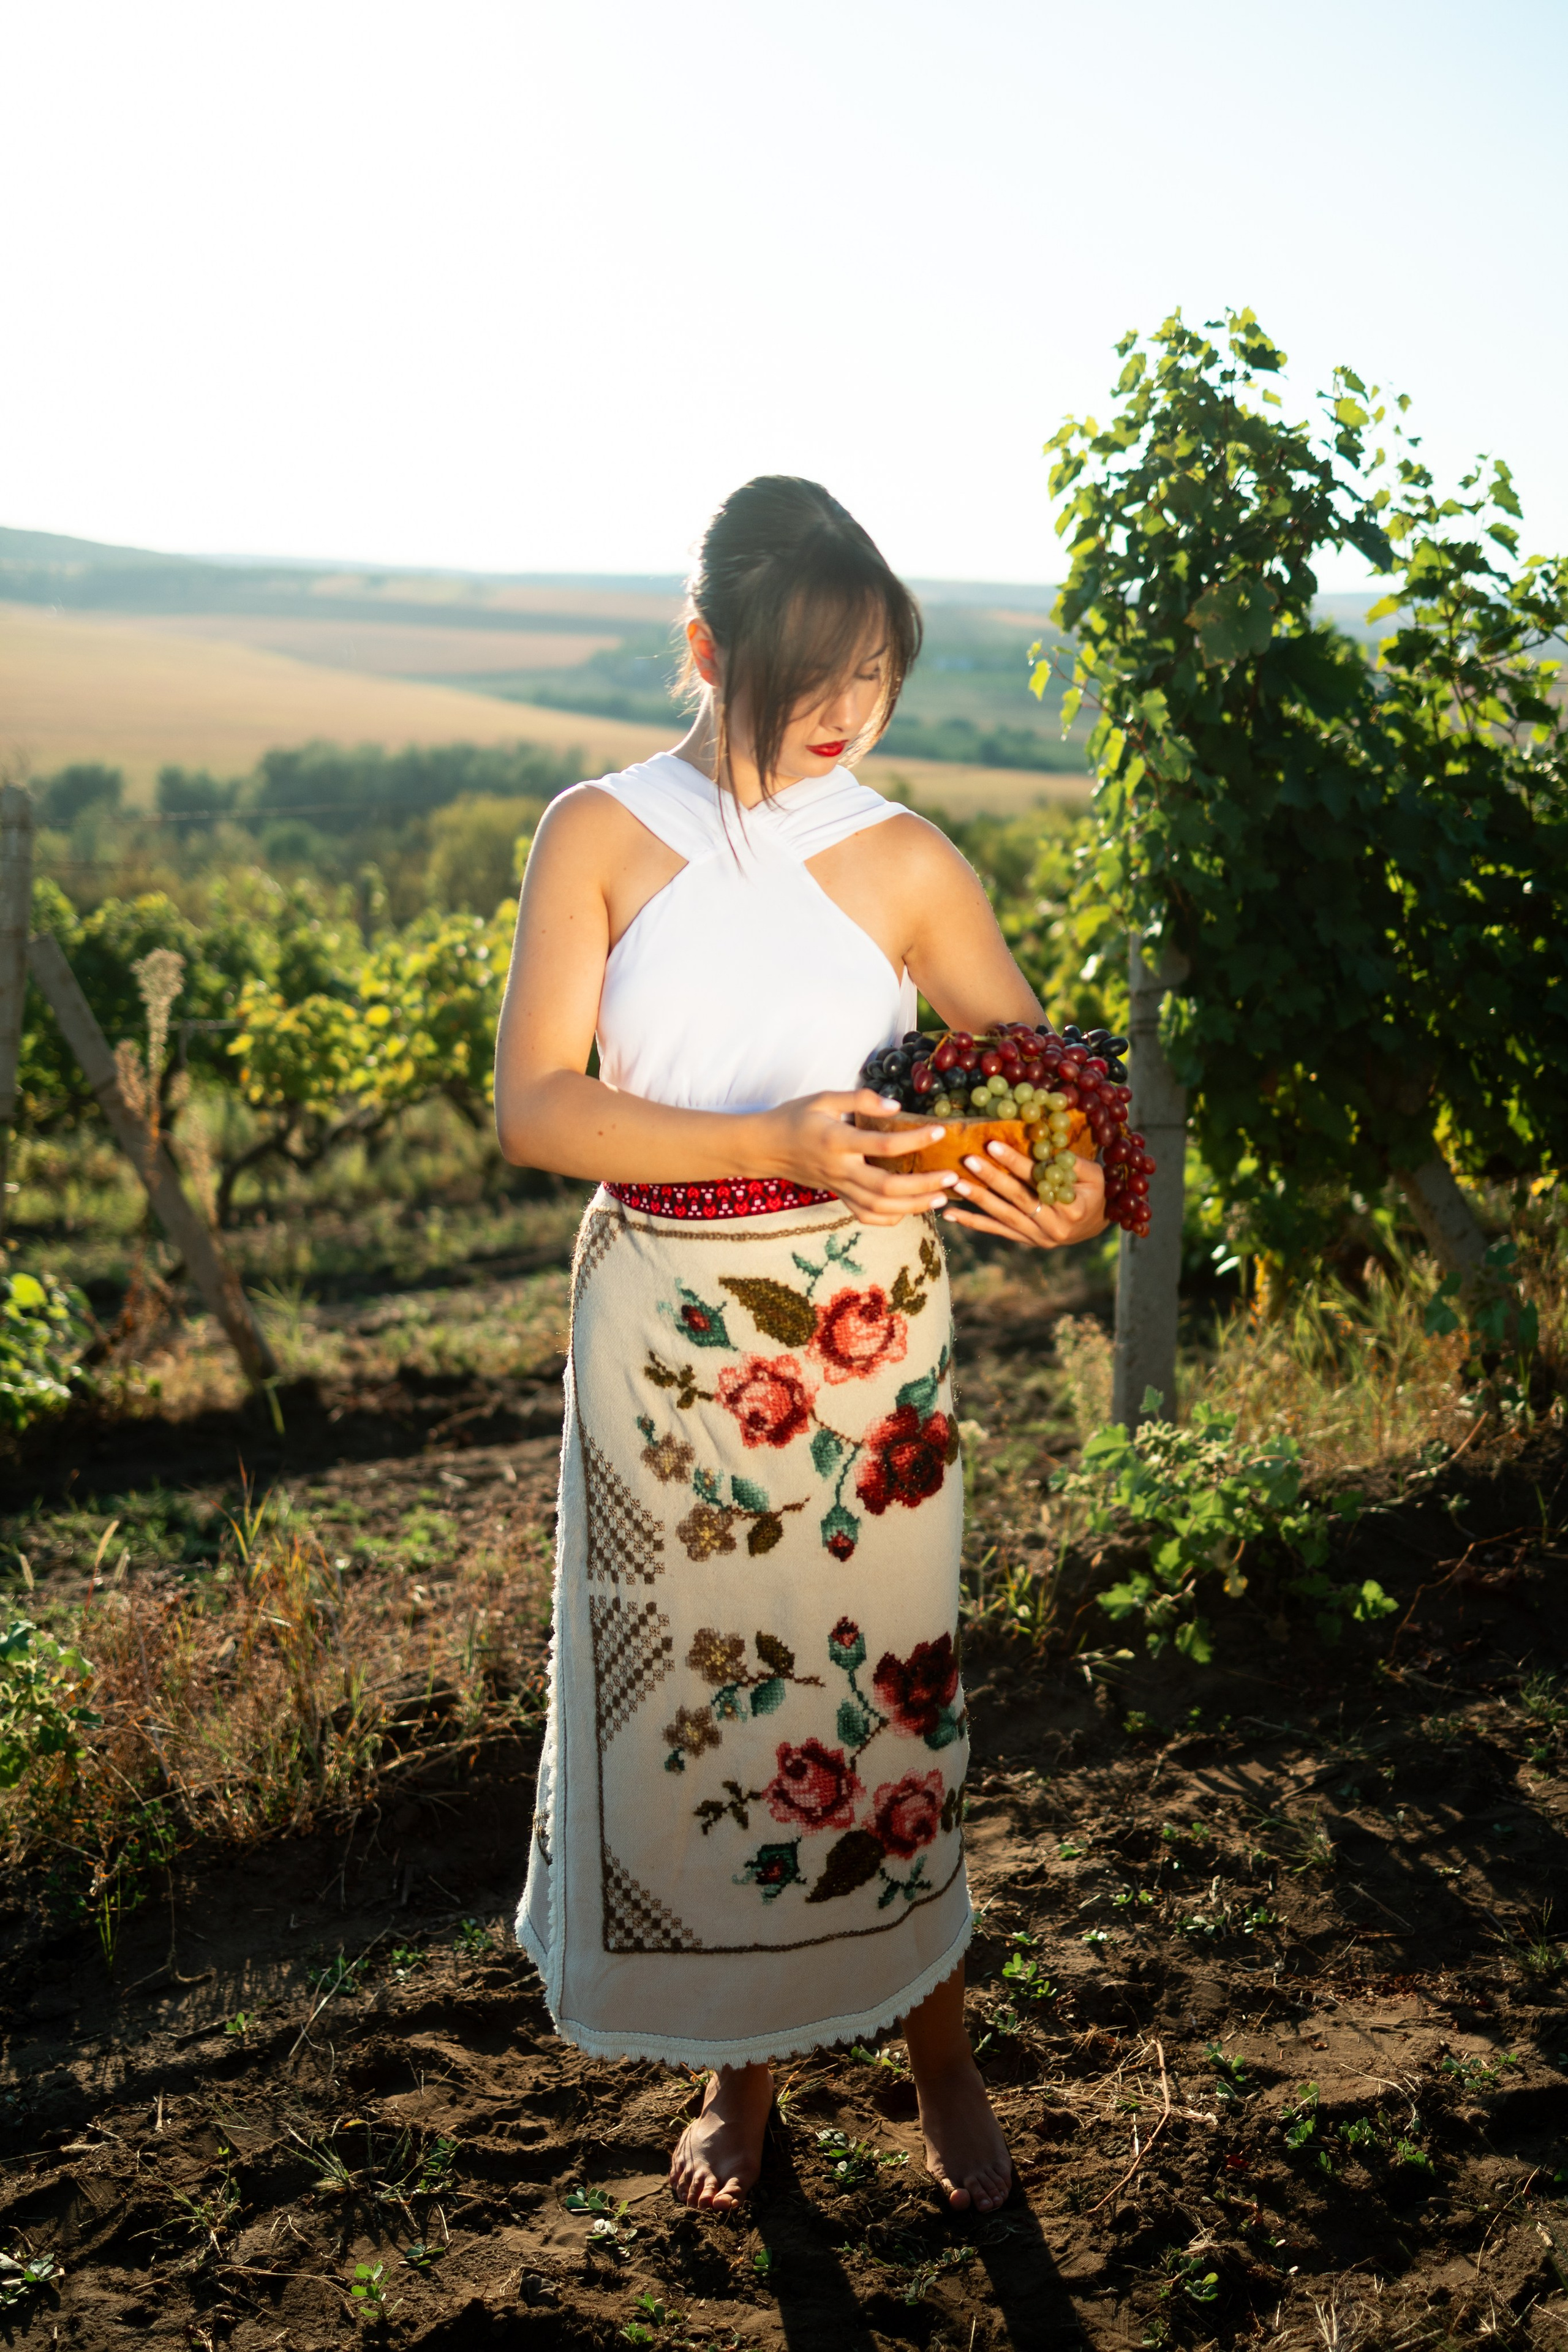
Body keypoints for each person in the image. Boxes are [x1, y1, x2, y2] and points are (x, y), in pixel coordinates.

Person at [495, 475, 1105, 2220]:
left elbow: (1037, 1091)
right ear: (706, 648)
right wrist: (781, 1139)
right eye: (814, 675)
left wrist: (1059, 1191)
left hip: (864, 1352)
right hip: (667, 1353)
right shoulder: (597, 830)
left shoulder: (908, 857)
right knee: (712, 1711)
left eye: (878, 679)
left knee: (882, 1711)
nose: (849, 716)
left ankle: (943, 2057)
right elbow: (539, 1110)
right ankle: (737, 2078)